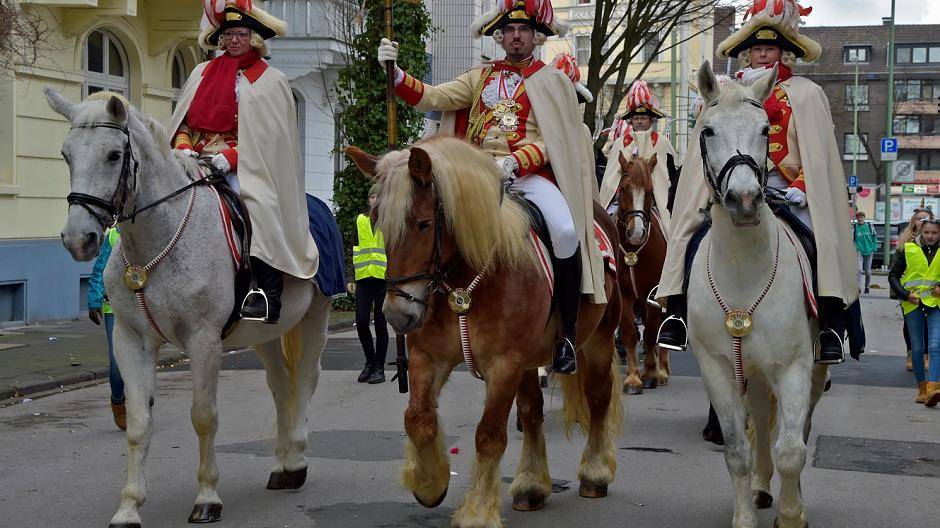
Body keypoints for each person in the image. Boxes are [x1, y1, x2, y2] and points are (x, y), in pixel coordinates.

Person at [376, 0, 607, 374]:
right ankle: (431, 316)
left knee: (566, 232)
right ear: (499, 37)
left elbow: (557, 140)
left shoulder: (554, 81)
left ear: (536, 36)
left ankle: (565, 333)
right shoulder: (479, 77)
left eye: (524, 29)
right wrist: (398, 74)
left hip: (530, 177)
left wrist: (517, 161)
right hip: (478, 180)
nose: (516, 36)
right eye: (509, 30)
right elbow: (434, 97)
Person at [657, 0, 861, 364]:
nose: (762, 54)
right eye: (756, 49)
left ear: (784, 53)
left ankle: (830, 325)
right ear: (747, 54)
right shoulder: (725, 91)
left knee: (822, 242)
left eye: (770, 48)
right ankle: (676, 312)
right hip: (730, 187)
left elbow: (818, 155)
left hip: (789, 189)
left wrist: (803, 186)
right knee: (690, 233)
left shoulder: (806, 93)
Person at [169, 0, 318, 324]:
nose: (234, 40)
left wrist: (231, 158)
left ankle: (267, 295)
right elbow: (183, 124)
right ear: (220, 38)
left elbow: (272, 139)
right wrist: (184, 148)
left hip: (245, 165)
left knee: (259, 208)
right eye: (229, 34)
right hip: (196, 160)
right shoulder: (200, 73)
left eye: (241, 34)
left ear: (254, 38)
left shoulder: (270, 80)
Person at [599, 80, 679, 235]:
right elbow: (610, 178)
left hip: (655, 200)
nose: (640, 121)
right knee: (604, 225)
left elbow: (671, 175)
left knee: (670, 230)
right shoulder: (619, 143)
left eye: (643, 117)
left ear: (651, 120)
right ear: (631, 121)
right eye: (636, 118)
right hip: (624, 197)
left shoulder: (662, 143)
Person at [888, 217, 940, 406]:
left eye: (934, 233)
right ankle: (922, 389)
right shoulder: (908, 249)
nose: (930, 236)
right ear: (919, 232)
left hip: (936, 303)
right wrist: (905, 294)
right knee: (917, 348)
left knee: (935, 346)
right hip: (913, 303)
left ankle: (933, 388)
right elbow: (893, 276)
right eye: (927, 232)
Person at [87, 227, 126, 431]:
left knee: (144, 358)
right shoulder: (112, 234)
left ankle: (143, 397)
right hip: (114, 308)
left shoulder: (148, 228)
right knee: (116, 365)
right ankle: (118, 402)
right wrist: (94, 300)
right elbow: (100, 268)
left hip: (142, 308)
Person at [352, 184, 389, 384]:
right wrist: (350, 278)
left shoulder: (389, 221)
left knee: (381, 324)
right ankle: (370, 362)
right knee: (361, 321)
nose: (374, 200)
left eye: (377, 196)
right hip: (363, 279)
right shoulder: (360, 221)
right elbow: (353, 248)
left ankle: (379, 367)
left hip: (384, 280)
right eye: (372, 196)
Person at [898, 208, 934, 371]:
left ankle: (925, 355)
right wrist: (902, 292)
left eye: (925, 218)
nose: (921, 222)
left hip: (930, 293)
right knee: (909, 324)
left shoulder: (935, 241)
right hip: (909, 293)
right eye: (918, 219)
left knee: (927, 323)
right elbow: (895, 270)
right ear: (913, 222)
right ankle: (911, 353)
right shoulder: (906, 242)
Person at [853, 211, 878, 294]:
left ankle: (867, 286)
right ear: (857, 219)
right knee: (859, 270)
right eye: (858, 217)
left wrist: (874, 247)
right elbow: (852, 239)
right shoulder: (854, 228)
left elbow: (874, 237)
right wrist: (855, 248)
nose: (860, 219)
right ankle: (858, 287)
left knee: (867, 271)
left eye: (861, 217)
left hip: (869, 250)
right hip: (859, 250)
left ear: (864, 218)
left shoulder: (870, 226)